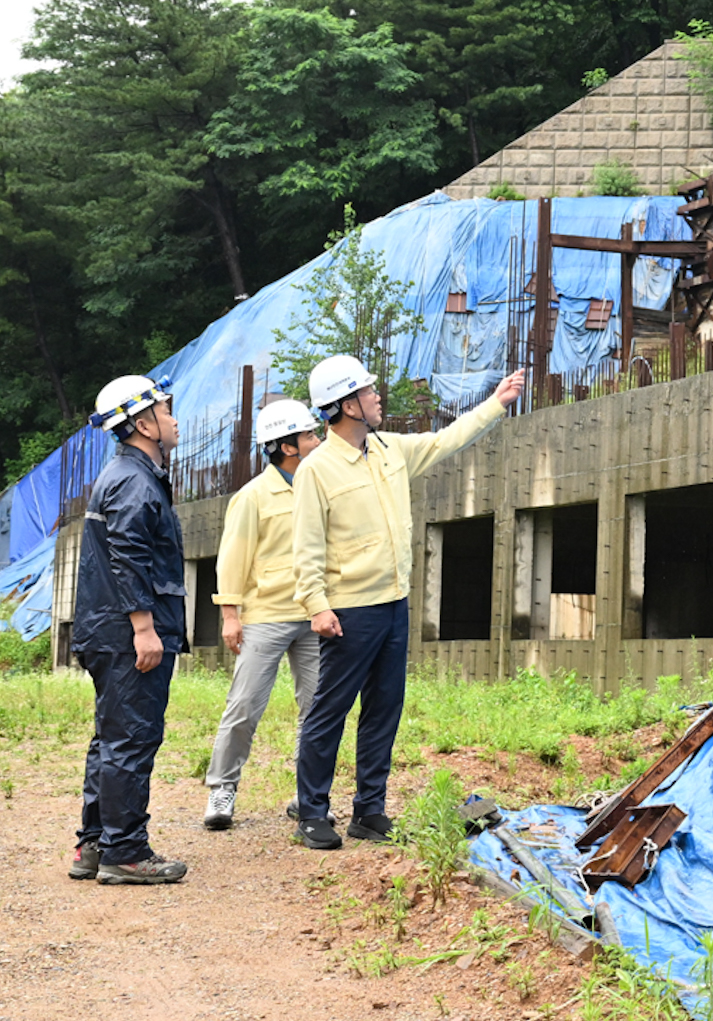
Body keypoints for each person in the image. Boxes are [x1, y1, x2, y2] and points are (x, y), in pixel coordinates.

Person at [291, 356, 525, 850]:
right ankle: (312, 812)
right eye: (369, 392)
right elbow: (306, 545)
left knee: (384, 710)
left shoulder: (389, 450)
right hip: (349, 611)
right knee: (329, 712)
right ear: (346, 405)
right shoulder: (316, 470)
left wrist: (496, 403)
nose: (379, 397)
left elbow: (446, 440)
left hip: (395, 605)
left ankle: (368, 811)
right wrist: (316, 604)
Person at [70, 375, 188, 886]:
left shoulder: (127, 474)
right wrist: (144, 627)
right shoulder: (135, 480)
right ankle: (126, 851)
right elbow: (127, 556)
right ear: (143, 423)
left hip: (105, 630)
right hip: (125, 633)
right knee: (131, 738)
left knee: (111, 739)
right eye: (166, 409)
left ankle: (95, 844)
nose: (174, 418)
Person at [200, 399, 324, 831]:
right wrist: (230, 616)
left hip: (313, 615)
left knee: (318, 709)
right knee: (245, 706)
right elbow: (232, 559)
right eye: (309, 435)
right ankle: (222, 788)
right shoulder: (252, 496)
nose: (317, 439)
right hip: (265, 616)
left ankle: (308, 794)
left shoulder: (319, 485)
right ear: (287, 446)